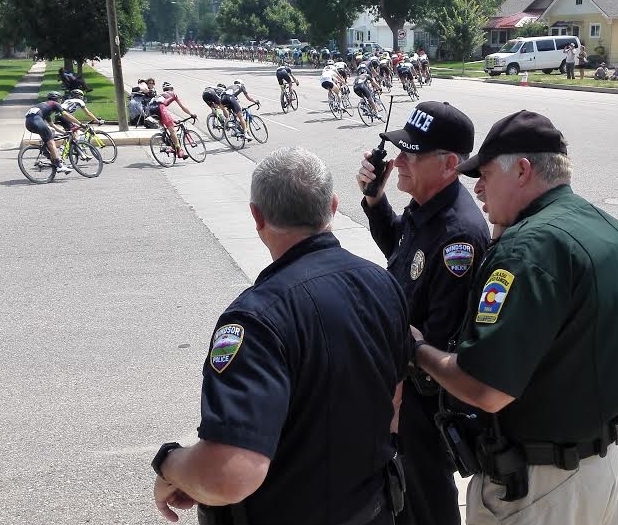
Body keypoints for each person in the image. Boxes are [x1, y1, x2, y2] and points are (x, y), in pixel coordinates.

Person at [151, 146, 410, 525]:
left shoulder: (256, 320)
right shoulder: (381, 283)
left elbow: (231, 475)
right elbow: (394, 402)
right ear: (333, 206)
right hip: (372, 510)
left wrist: (168, 465)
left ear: (257, 217)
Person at [411, 109, 618, 525]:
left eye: (485, 175)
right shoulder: (603, 227)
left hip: (538, 489)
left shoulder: (528, 248)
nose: (479, 190)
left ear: (522, 170)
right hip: (601, 470)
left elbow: (486, 389)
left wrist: (416, 348)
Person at [356, 101, 490, 525]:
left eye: (410, 155)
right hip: (403, 385)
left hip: (424, 399)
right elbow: (403, 252)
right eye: (398, 152)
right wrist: (376, 201)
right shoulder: (427, 205)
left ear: (450, 164)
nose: (397, 163)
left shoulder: (458, 236)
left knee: (427, 499)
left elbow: (439, 338)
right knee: (404, 495)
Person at [24, 92, 83, 173]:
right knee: (51, 141)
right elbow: (66, 115)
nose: (61, 100)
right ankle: (59, 165)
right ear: (57, 99)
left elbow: (52, 125)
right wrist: (80, 124)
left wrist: (63, 132)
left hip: (28, 123)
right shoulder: (54, 103)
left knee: (49, 133)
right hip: (37, 121)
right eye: (60, 99)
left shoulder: (44, 106)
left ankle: (46, 151)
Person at [148, 81, 197, 159]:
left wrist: (173, 120)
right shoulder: (173, 94)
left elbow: (164, 113)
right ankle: (179, 150)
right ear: (172, 89)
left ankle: (168, 143)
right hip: (160, 108)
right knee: (172, 130)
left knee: (166, 128)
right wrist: (191, 114)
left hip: (151, 109)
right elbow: (183, 107)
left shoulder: (160, 95)